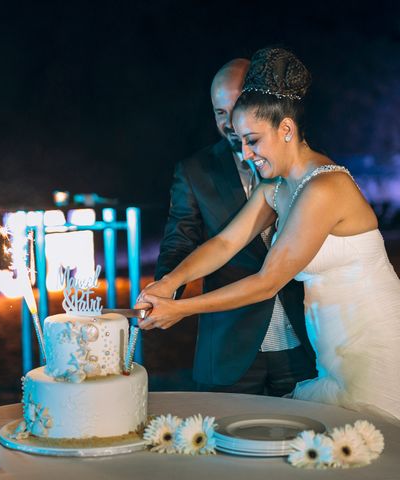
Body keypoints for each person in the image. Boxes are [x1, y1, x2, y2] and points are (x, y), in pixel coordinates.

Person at [138, 47, 400, 478]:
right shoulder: (277, 185)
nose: (247, 155)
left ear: (285, 128)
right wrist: (169, 283)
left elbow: (268, 281)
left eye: (253, 141)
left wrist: (182, 309)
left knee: (385, 454)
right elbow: (224, 243)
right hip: (335, 346)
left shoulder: (323, 189)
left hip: (378, 340)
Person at [152, 58, 316, 395]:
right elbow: (187, 240)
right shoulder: (195, 171)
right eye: (219, 112)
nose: (229, 124)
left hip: (305, 336)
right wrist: (167, 289)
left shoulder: (306, 169)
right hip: (231, 343)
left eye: (237, 106)